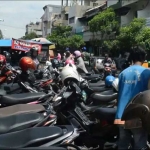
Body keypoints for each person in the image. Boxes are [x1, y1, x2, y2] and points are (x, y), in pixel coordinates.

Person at [114, 46, 150, 149]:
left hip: (121, 115)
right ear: (143, 58)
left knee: (123, 144)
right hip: (137, 116)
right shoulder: (147, 73)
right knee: (139, 144)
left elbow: (119, 93)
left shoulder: (123, 73)